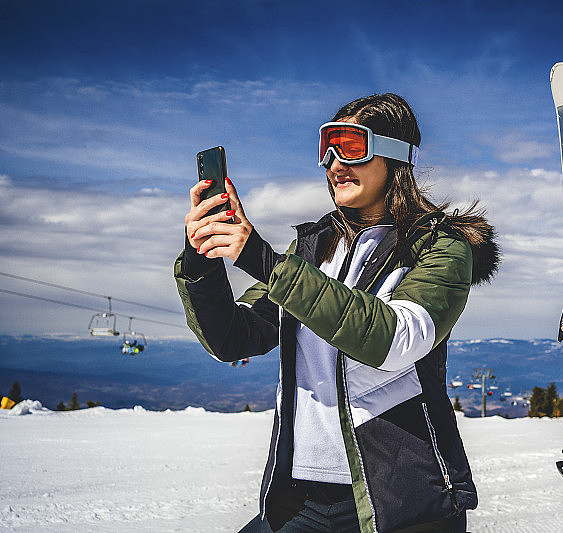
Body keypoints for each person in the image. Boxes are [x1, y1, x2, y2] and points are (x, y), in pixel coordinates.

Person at [174, 93, 500, 533]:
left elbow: (393, 339)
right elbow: (237, 337)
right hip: (302, 495)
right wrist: (202, 260)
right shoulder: (312, 248)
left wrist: (264, 261)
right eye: (326, 148)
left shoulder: (439, 247)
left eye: (349, 145)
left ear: (396, 154)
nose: (333, 163)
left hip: (400, 499)